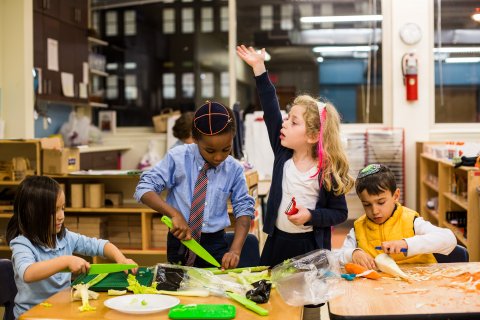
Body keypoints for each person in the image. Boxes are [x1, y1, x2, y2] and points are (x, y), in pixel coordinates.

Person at [237, 45, 354, 267]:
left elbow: (339, 213)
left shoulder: (325, 170)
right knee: (270, 294)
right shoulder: (283, 153)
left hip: (310, 247)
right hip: (277, 242)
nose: (284, 123)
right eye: (287, 118)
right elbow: (271, 108)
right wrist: (259, 67)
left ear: (312, 136)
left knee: (309, 300)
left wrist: (311, 215)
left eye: (293, 121)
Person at [135, 101, 255, 269]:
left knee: (214, 292)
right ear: (195, 139)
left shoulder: (233, 169)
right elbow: (144, 189)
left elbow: (244, 209)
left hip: (215, 245)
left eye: (226, 149)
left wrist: (235, 250)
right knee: (181, 290)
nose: (219, 157)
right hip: (180, 241)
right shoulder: (178, 158)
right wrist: (174, 214)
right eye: (210, 151)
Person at [6, 176, 137, 318]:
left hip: (61, 312)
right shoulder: (22, 244)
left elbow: (100, 245)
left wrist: (121, 259)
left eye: (62, 208)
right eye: (53, 211)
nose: (61, 216)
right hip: (31, 316)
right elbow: (28, 273)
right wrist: (66, 261)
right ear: (32, 214)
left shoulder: (65, 238)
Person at [337, 164, 457, 269]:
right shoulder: (358, 228)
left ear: (396, 196)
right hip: (379, 289)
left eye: (381, 202)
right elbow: (337, 257)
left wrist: (406, 244)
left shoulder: (411, 221)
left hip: (420, 286)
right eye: (367, 204)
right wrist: (352, 253)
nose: (374, 211)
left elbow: (449, 239)